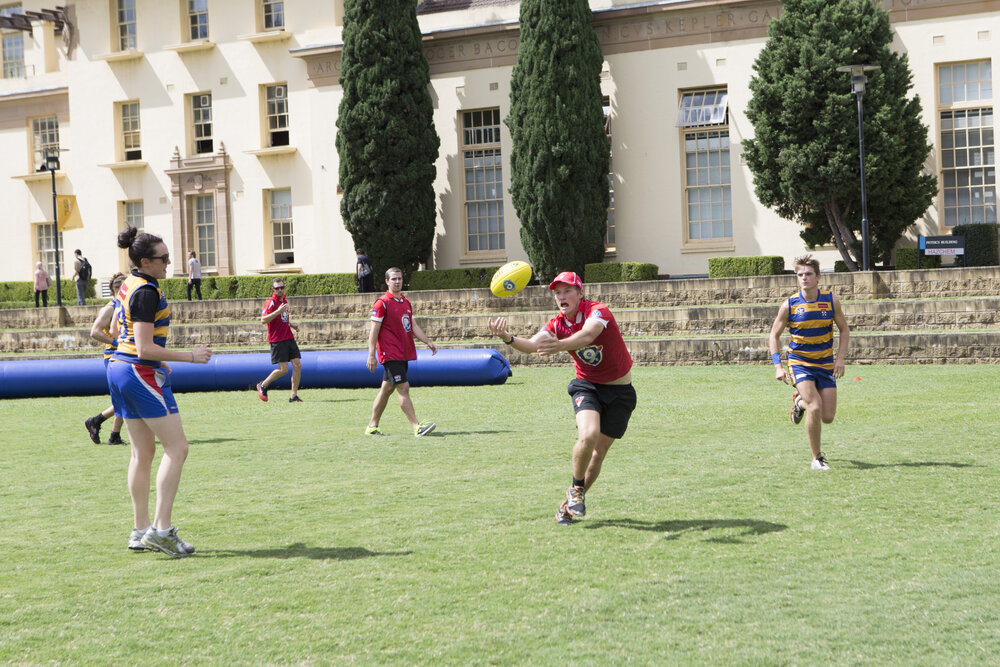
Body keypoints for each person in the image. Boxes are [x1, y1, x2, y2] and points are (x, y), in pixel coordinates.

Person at [488, 271, 637, 526]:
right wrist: (508, 338)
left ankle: (567, 505)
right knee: (588, 435)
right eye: (557, 293)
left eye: (567, 290)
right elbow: (534, 345)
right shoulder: (556, 324)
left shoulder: (598, 310)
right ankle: (577, 489)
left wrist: (561, 345)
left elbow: (588, 335)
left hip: (621, 392)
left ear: (580, 293)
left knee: (598, 454)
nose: (561, 296)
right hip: (587, 386)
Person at [109, 226, 211, 557]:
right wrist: (189, 357)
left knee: (142, 453)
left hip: (120, 369)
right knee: (177, 448)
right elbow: (143, 347)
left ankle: (140, 531)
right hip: (138, 371)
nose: (168, 262)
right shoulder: (146, 291)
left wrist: (150, 360)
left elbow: (114, 331)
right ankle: (161, 531)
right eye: (163, 258)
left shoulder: (129, 283)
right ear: (144, 261)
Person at [768, 254, 850, 471]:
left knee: (828, 416)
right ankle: (817, 458)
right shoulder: (790, 305)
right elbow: (773, 335)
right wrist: (778, 366)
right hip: (799, 362)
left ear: (818, 277)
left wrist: (840, 359)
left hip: (825, 363)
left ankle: (798, 403)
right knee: (814, 406)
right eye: (800, 274)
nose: (804, 278)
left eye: (808, 274)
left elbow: (844, 329)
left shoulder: (831, 301)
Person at [365, 267, 437, 436]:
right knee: (403, 387)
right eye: (394, 279)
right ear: (387, 281)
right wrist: (371, 355)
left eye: (399, 278)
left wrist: (427, 341)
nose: (397, 282)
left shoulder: (405, 302)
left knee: (386, 390)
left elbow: (413, 326)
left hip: (403, 353)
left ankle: (372, 426)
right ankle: (416, 426)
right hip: (390, 354)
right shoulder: (381, 303)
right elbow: (373, 331)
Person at [84, 272, 128, 445]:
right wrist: (116, 342)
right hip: (113, 357)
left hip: (123, 355)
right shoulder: (110, 308)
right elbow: (95, 332)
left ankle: (109, 432)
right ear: (118, 289)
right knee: (125, 400)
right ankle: (100, 425)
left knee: (124, 399)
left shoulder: (123, 305)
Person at [256, 278, 303, 403]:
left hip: (288, 337)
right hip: (277, 339)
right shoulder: (271, 302)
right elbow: (263, 320)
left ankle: (293, 396)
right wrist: (277, 311)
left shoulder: (284, 301)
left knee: (297, 365)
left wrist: (292, 325)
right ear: (273, 289)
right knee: (284, 370)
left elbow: (283, 319)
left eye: (282, 287)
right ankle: (263, 384)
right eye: (277, 288)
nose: (280, 290)